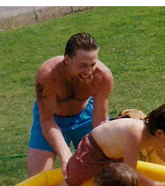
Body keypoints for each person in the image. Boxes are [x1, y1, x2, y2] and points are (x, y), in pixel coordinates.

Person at [27, 33, 113, 177]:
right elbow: (46, 120)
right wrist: (65, 154)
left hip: (87, 115)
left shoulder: (103, 77)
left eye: (93, 64)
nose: (89, 72)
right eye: (83, 65)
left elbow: (100, 121)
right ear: (67, 60)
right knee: (36, 179)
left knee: (108, 171)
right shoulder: (47, 75)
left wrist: (103, 150)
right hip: (52, 119)